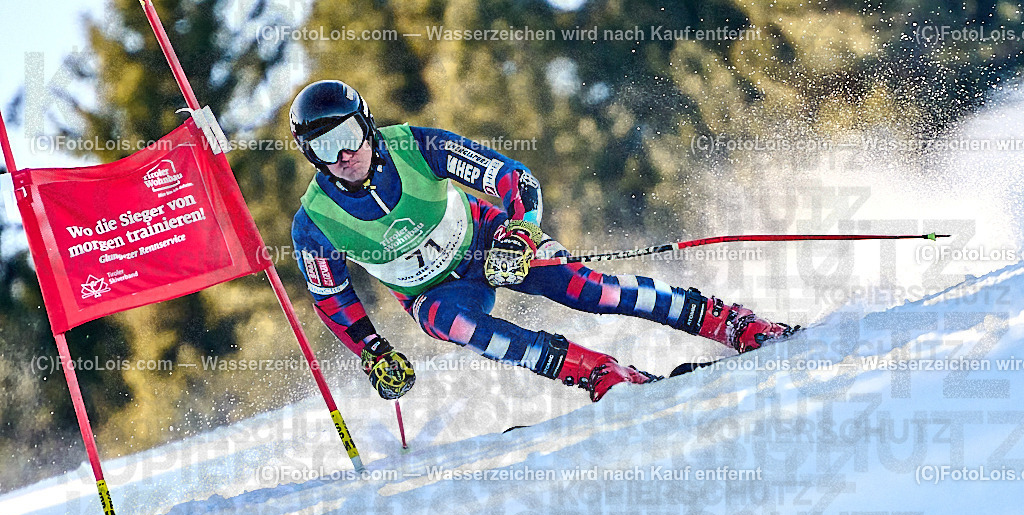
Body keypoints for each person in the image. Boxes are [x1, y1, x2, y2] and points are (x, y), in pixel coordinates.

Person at [288, 80, 795, 403]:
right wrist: (373, 351)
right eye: (324, 147)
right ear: (309, 154)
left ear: (368, 125)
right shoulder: (314, 223)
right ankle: (600, 374)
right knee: (457, 325)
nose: (343, 155)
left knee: (589, 291)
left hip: (487, 239)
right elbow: (333, 299)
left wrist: (520, 229)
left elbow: (513, 178)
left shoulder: (417, 146)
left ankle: (728, 321)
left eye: (349, 135)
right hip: (432, 292)